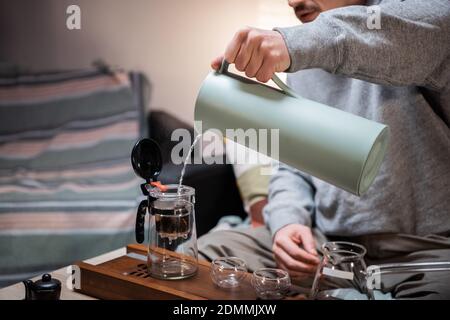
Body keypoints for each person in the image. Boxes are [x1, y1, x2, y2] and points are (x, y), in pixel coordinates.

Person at [198, 0, 450, 299]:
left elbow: (410, 24)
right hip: (328, 250)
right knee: (201, 255)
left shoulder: (419, 23)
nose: (292, 1)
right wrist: (287, 222)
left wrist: (294, 43)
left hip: (427, 253)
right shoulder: (305, 60)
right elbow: (293, 166)